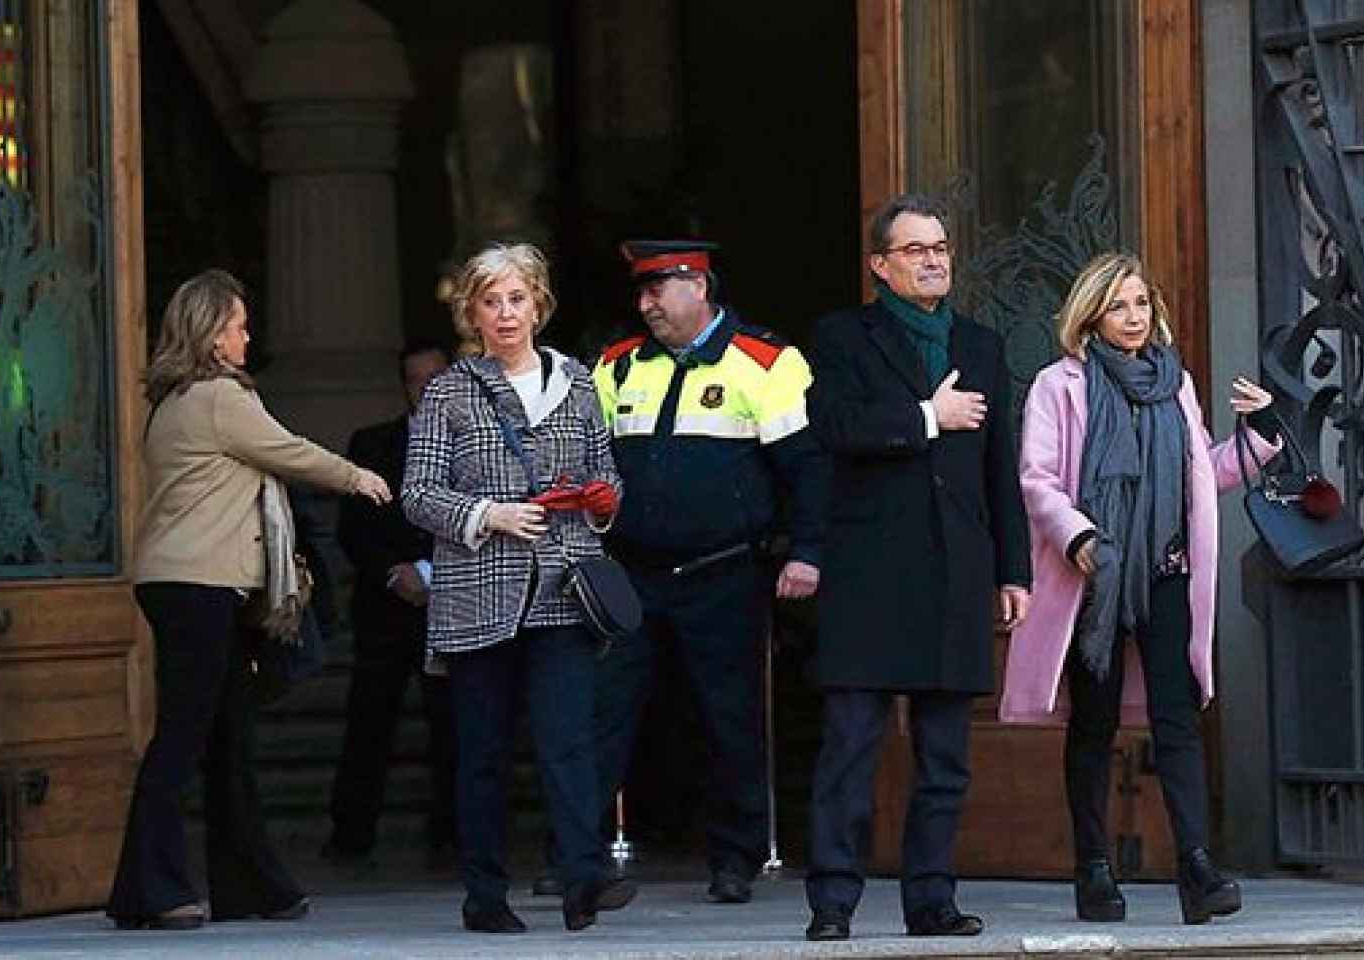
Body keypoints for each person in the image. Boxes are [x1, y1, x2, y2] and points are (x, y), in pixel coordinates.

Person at [999, 252, 1280, 925]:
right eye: (1120, 305)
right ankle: (1094, 869)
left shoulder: (1174, 385)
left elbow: (1197, 475)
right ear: (1092, 313)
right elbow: (1037, 479)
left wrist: (1262, 435)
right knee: (1092, 725)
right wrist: (1080, 537)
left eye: (1142, 304)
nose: (1134, 317)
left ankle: (1197, 867)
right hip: (1095, 576)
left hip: (1165, 569)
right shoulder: (1058, 385)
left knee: (1178, 719)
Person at [108, 269, 392, 930]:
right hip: (197, 586)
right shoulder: (218, 396)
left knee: (227, 738)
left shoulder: (176, 397)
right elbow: (288, 451)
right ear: (211, 334)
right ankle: (150, 890)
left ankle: (251, 885)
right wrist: (360, 478)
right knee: (184, 739)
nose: (246, 336)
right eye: (237, 324)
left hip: (192, 584)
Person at [802, 194, 1031, 942]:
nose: (934, 259)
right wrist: (927, 418)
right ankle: (833, 901)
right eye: (915, 250)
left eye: (940, 247)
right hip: (869, 571)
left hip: (956, 568)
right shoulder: (840, 338)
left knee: (945, 757)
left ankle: (932, 900)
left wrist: (1014, 570)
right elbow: (834, 427)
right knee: (850, 749)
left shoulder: (982, 344)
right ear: (880, 265)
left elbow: (1002, 466)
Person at [402, 242, 635, 934]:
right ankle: (485, 894)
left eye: (517, 298)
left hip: (564, 589)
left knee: (569, 740)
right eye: (490, 301)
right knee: (483, 754)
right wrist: (488, 515)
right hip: (480, 598)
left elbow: (609, 473)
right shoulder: (449, 391)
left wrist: (601, 500)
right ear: (471, 313)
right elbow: (417, 493)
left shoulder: (579, 383)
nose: (506, 313)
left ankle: (582, 877)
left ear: (539, 303)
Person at [590, 239, 829, 904]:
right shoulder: (615, 365)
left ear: (698, 286)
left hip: (724, 573)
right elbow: (585, 462)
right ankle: (579, 854)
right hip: (631, 571)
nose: (645, 304)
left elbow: (806, 469)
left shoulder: (766, 361)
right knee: (604, 712)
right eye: (641, 291)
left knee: (731, 718)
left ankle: (736, 857)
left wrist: (808, 551)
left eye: (657, 289)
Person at [323, 338, 458, 867]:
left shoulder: (478, 444)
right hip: (387, 610)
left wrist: (436, 572)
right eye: (416, 380)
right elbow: (355, 529)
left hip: (453, 607)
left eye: (435, 378)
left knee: (454, 726)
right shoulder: (372, 444)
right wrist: (391, 574)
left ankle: (453, 834)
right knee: (369, 723)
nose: (426, 389)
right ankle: (350, 835)